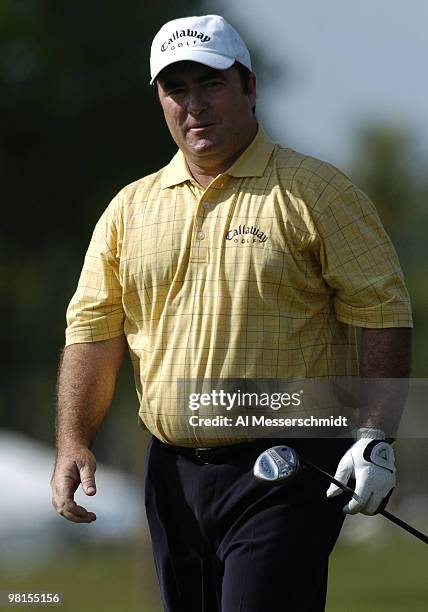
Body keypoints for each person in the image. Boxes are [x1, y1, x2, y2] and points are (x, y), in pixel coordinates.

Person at [51, 14, 413, 612]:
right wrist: (72, 442)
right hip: (171, 473)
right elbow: (93, 331)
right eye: (177, 89)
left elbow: (382, 311)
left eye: (211, 84)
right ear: (161, 101)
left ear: (249, 87)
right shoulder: (128, 209)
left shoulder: (316, 191)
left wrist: (376, 434)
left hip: (289, 462)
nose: (194, 105)